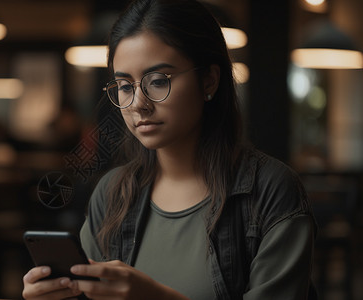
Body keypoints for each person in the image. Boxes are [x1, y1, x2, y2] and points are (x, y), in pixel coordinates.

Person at [22, 0, 317, 299]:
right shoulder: (113, 194)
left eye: (159, 81)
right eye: (125, 86)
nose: (138, 103)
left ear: (209, 80)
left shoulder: (270, 191)